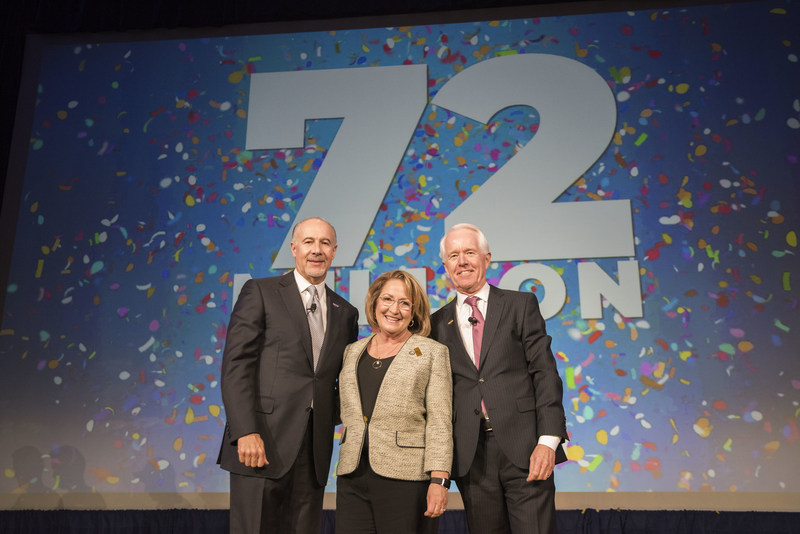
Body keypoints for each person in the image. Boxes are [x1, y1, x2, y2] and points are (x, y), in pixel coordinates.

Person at [217, 216, 359, 533]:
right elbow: (237, 365)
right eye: (308, 242)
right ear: (294, 249)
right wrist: (245, 431)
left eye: (324, 243)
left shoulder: (345, 312)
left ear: (335, 251)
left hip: (313, 451)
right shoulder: (261, 291)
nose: (316, 250)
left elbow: (340, 381)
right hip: (260, 442)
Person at [430, 223, 568, 534]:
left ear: (487, 258)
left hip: (526, 448)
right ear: (445, 266)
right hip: (471, 455)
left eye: (469, 252)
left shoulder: (520, 305)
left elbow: (544, 373)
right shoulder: (435, 324)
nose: (462, 261)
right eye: (454, 255)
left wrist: (548, 441)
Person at [336, 270, 452, 534]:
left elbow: (440, 421)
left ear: (414, 312)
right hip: (352, 475)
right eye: (387, 299)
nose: (394, 309)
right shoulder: (352, 351)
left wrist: (440, 480)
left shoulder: (432, 353)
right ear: (375, 303)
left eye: (404, 303)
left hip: (407, 478)